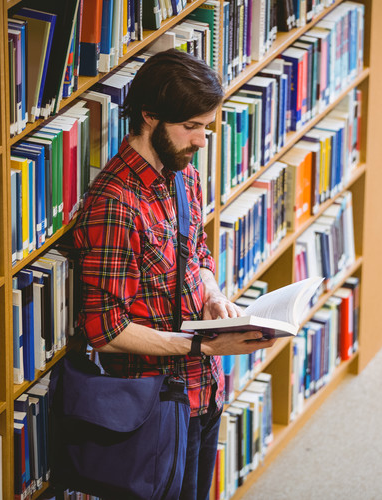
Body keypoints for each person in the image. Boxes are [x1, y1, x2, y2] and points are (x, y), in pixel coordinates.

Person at [72, 49, 274, 499]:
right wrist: (203, 343)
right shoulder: (115, 204)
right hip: (153, 408)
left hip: (204, 392)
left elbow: (197, 255)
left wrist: (213, 295)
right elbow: (105, 330)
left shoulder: (184, 176)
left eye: (206, 125)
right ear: (149, 117)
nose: (203, 140)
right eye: (192, 127)